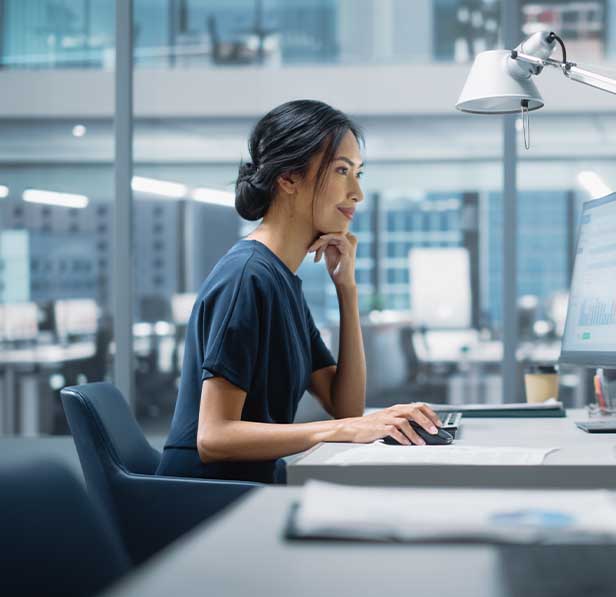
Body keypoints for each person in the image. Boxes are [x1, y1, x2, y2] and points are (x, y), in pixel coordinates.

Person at [158, 99, 441, 484]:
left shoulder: (281, 281)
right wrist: (339, 431)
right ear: (289, 178)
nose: (357, 192)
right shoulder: (246, 278)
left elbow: (346, 406)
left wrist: (347, 289)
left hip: (254, 487)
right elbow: (213, 436)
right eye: (343, 171)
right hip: (207, 500)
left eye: (358, 173)